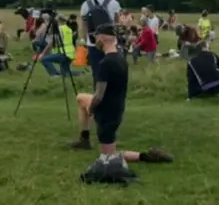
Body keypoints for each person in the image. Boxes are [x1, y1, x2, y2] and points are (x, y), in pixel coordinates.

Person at [71, 24, 173, 164]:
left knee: (107, 158)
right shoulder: (121, 58)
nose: (96, 41)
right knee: (81, 98)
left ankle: (147, 157)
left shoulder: (105, 63)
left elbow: (99, 95)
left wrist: (91, 109)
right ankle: (84, 138)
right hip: (117, 106)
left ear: (102, 39)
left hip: (106, 113)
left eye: (96, 38)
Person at [80, 0, 121, 86]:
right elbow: (117, 23)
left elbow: (84, 25)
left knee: (96, 71)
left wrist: (86, 40)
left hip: (93, 42)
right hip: (110, 43)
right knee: (111, 70)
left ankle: (97, 94)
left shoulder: (86, 4)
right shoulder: (113, 3)